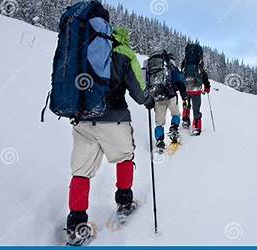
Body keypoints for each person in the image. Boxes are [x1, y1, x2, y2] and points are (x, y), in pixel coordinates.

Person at [65, 20, 154, 246]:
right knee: (124, 157)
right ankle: (124, 202)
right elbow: (138, 91)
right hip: (114, 120)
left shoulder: (80, 50)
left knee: (81, 172)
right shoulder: (124, 53)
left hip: (83, 120)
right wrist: (148, 100)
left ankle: (76, 224)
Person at [145, 50, 187, 152]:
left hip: (157, 97)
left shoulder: (150, 67)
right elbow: (180, 81)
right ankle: (174, 128)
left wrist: (148, 99)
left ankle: (159, 140)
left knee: (159, 121)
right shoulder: (172, 67)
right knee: (175, 113)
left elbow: (145, 82)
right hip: (171, 95)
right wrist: (184, 95)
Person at [181, 43, 211, 136]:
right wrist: (207, 87)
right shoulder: (199, 65)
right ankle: (196, 127)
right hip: (196, 89)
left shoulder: (185, 63)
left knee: (186, 104)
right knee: (196, 108)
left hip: (186, 88)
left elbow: (181, 74)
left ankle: (186, 120)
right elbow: (204, 76)